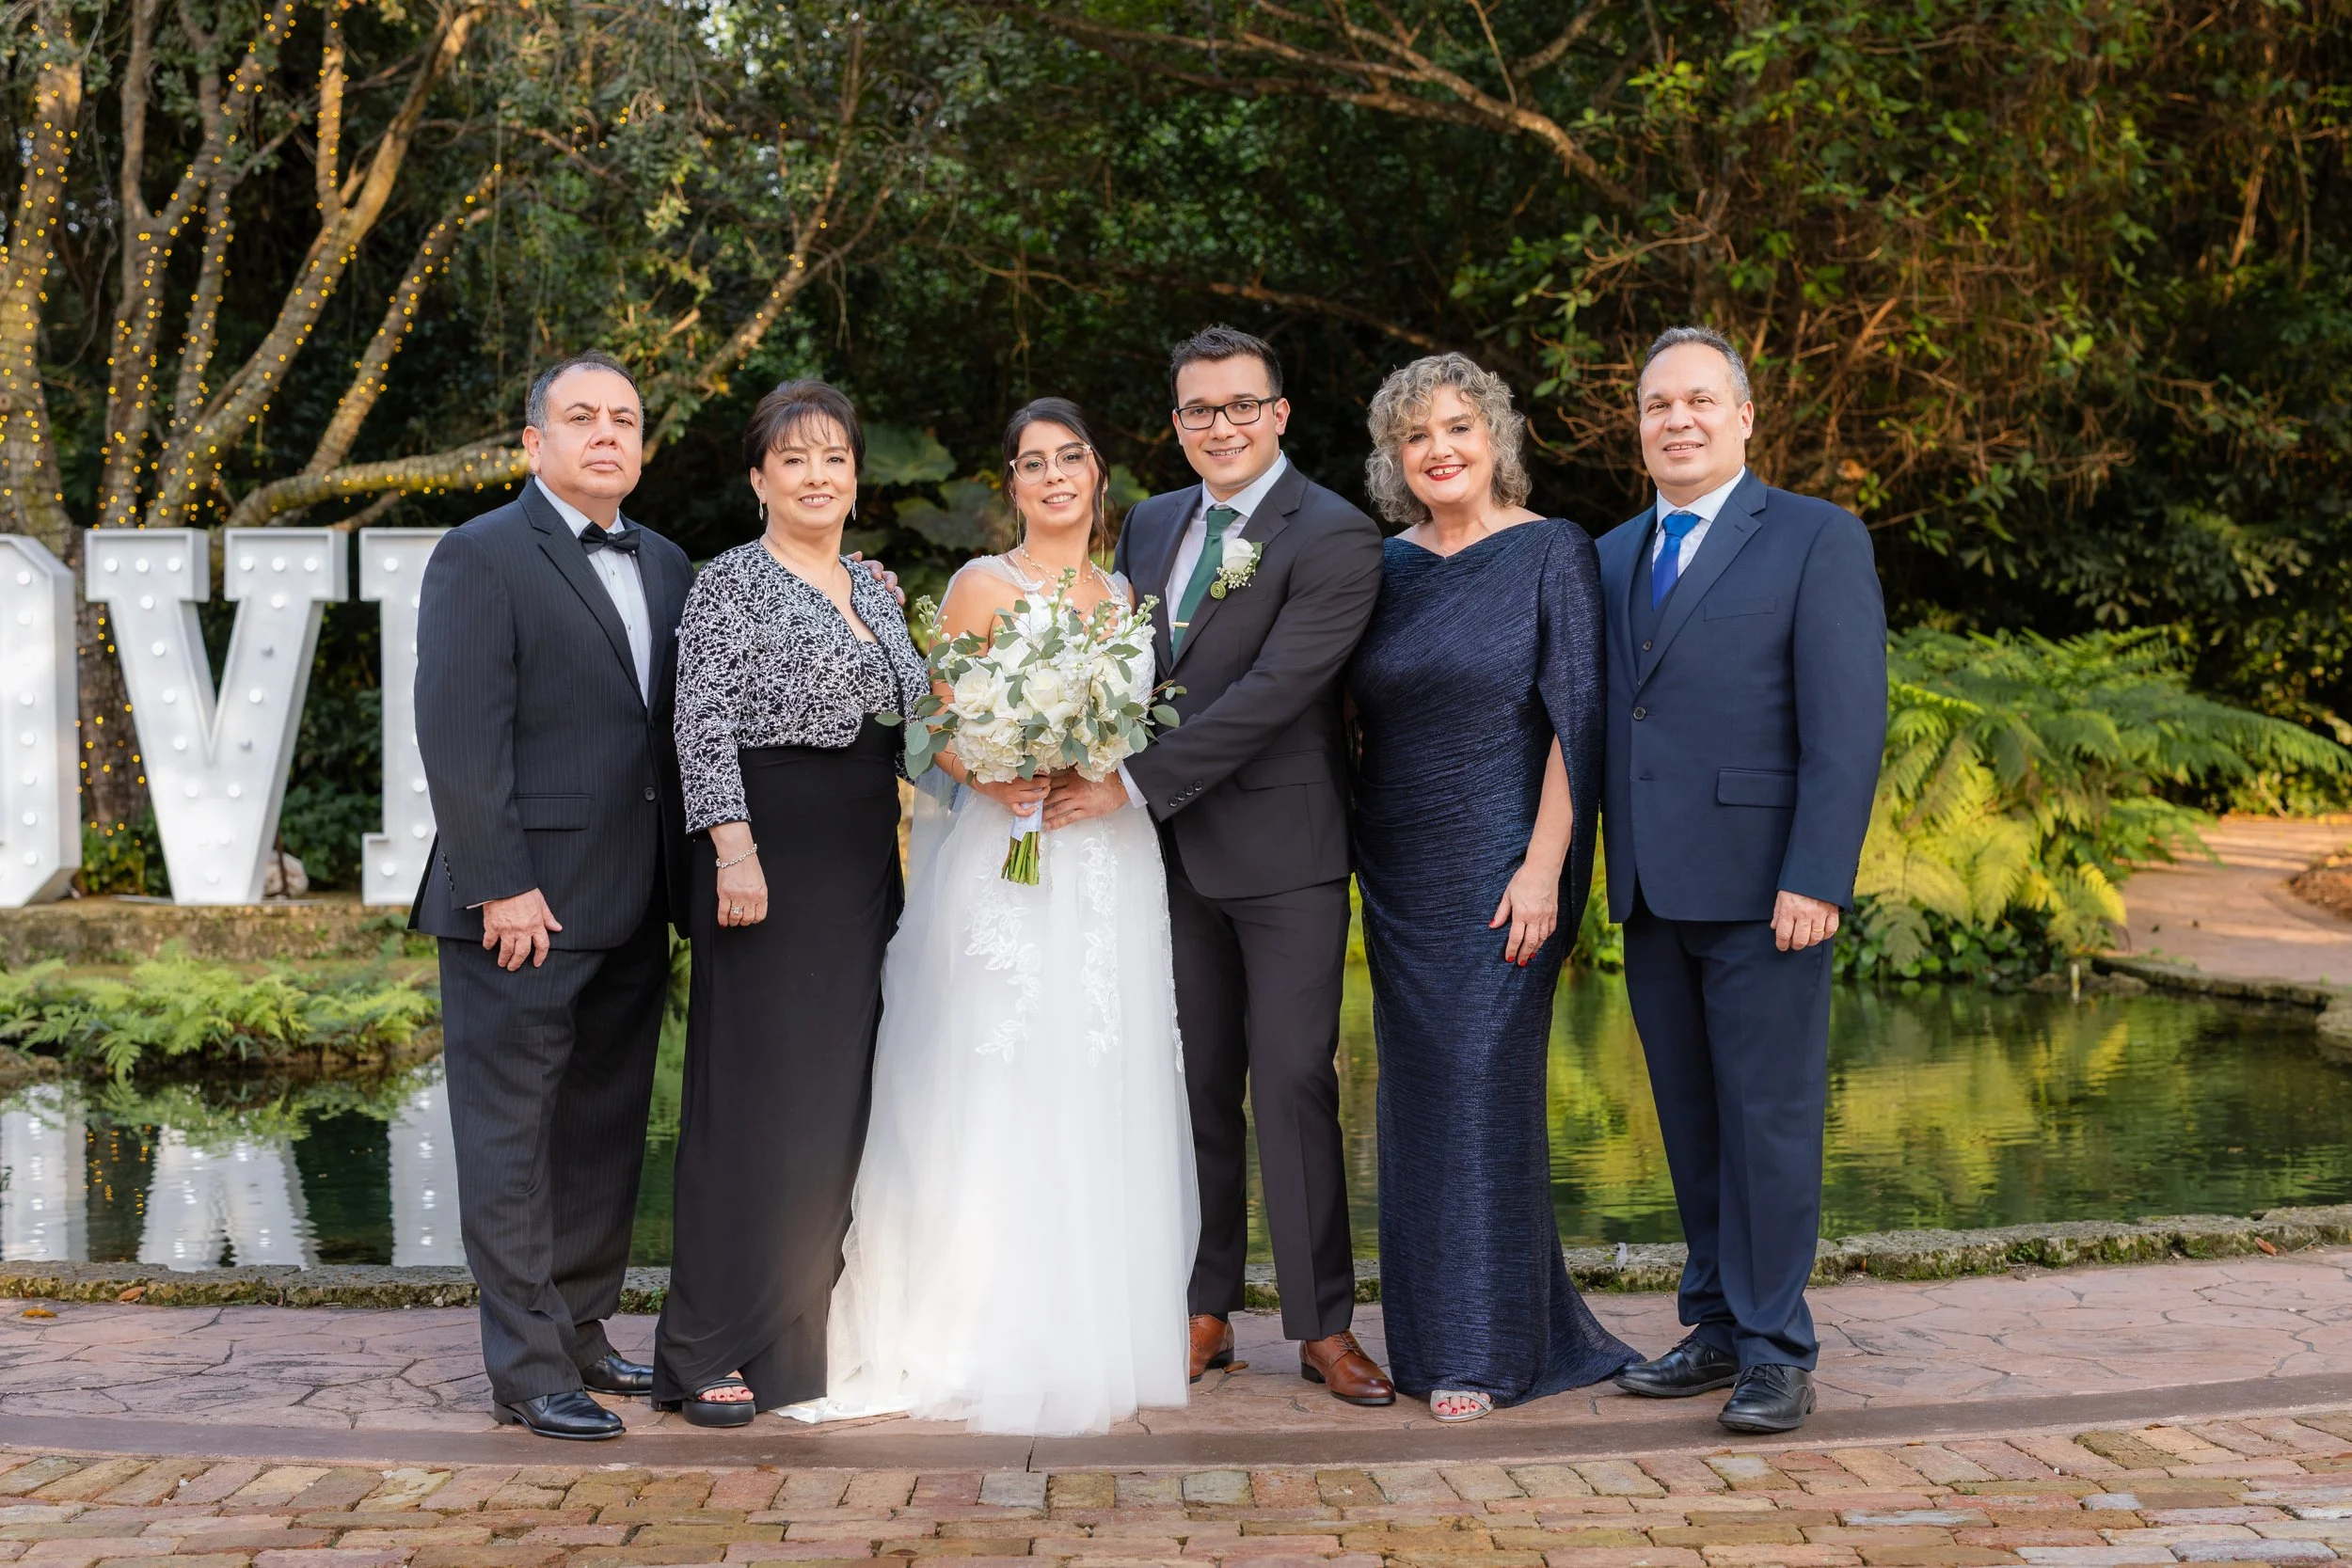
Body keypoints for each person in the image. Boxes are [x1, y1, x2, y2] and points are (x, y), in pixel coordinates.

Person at [810, 397, 1198, 1436]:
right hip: (1012, 849)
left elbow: (1145, 727)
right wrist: (995, 773)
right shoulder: (982, 585)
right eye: (1033, 463)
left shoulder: (1129, 593)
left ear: (1098, 473)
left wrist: (1098, 766)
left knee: (1100, 1067)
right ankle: (978, 1325)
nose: (1055, 477)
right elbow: (930, 719)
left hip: (1109, 853)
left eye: (1072, 457)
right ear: (1011, 484)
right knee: (999, 1067)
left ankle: (1094, 1326)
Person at [1046, 325, 1392, 1406]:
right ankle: (1204, 1309)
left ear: (1279, 412)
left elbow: (1277, 690)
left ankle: (1323, 1324)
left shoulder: (1336, 534)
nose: (1221, 426)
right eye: (1199, 409)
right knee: (1191, 1083)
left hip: (1285, 852)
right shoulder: (1150, 522)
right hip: (1167, 858)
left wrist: (1131, 780)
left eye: (1241, 405)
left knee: (1291, 1078)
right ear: (1177, 422)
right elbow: (1108, 650)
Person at [1597, 326, 1886, 1434]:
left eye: (1699, 401)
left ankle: (1777, 1345)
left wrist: (1815, 871)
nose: (1677, 419)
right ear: (1638, 427)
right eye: (1656, 404)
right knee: (1690, 1119)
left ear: (1745, 415)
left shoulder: (1815, 538)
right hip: (1650, 888)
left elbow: (1846, 724)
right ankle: (1714, 1320)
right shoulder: (1614, 551)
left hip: (1769, 887)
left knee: (1768, 1120)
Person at [1345, 353, 1637, 1422]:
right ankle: (1438, 1338)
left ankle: (1486, 1347)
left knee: (1478, 1083)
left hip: (1505, 864)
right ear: (1394, 456)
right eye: (1415, 436)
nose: (1439, 451)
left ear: (1496, 436)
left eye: (1458, 428)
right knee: (1418, 1100)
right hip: (1399, 868)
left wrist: (1544, 867)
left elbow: (1576, 717)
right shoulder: (1386, 566)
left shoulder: (1552, 550)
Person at [412, 350, 693, 1442]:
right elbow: (459, 732)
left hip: (630, 901)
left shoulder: (666, 560)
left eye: (624, 418)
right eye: (582, 417)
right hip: (518, 907)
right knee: (511, 1141)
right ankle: (527, 1368)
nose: (607, 434)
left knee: (602, 1135)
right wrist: (503, 885)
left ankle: (582, 1330)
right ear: (535, 443)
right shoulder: (481, 554)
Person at [653, 380, 932, 1427]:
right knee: (754, 1098)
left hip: (862, 860)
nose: (818, 476)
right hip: (766, 859)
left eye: (835, 458)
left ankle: (799, 1335)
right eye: (796, 458)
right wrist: (733, 850)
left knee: (834, 1099)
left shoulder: (874, 584)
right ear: (759, 477)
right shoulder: (728, 581)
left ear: (855, 475)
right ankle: (705, 1342)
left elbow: (912, 729)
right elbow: (700, 722)